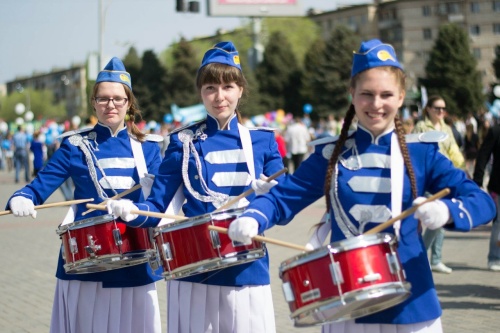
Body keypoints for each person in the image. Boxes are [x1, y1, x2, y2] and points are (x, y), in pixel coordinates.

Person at [227, 39, 496, 333]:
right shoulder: (331, 156)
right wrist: (254, 215)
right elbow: (283, 197)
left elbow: (482, 202)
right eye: (367, 94)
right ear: (352, 94)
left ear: (401, 97)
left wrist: (446, 210)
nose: (376, 104)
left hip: (411, 302)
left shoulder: (422, 154)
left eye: (386, 95)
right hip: (347, 303)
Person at [108, 41, 284, 333]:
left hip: (248, 268)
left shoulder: (263, 142)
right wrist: (132, 211)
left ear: (241, 89)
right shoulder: (182, 141)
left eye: (228, 87)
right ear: (201, 92)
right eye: (210, 88)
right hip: (193, 270)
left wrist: (268, 201)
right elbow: (158, 206)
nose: (219, 97)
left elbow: (280, 202)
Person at [6, 57, 164, 333]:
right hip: (86, 261)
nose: (110, 105)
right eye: (103, 99)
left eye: (117, 99)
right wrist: (23, 197)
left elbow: (161, 201)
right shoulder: (74, 146)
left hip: (135, 258)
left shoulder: (148, 148)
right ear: (94, 103)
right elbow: (41, 184)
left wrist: (140, 209)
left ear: (129, 103)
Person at [414, 95, 465, 274]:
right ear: (428, 109)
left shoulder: (446, 128)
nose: (441, 112)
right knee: (437, 222)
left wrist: (460, 166)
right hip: (428, 180)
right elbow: (416, 152)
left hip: (445, 179)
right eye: (437, 108)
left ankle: (434, 259)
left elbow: (453, 149)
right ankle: (423, 257)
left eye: (443, 109)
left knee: (442, 219)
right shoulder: (421, 127)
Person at [473, 122, 500, 271]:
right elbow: (483, 154)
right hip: (498, 185)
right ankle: (494, 258)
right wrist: (477, 180)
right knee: (499, 223)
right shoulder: (496, 130)